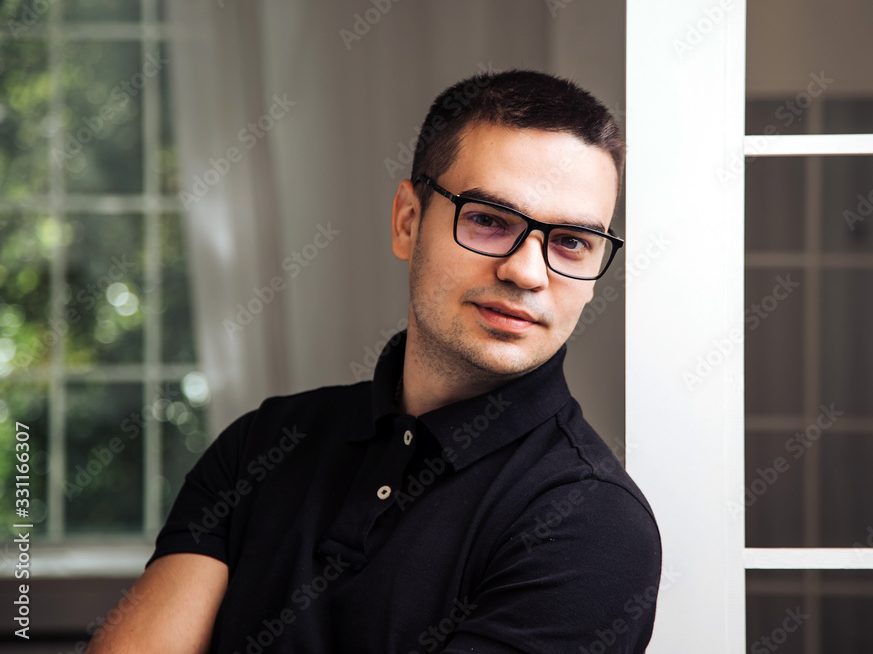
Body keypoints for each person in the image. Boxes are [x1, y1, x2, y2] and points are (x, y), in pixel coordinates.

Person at [88, 69, 661, 653]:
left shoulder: (592, 526)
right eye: (489, 220)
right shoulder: (260, 446)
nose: (527, 272)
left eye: (572, 242)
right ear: (408, 222)